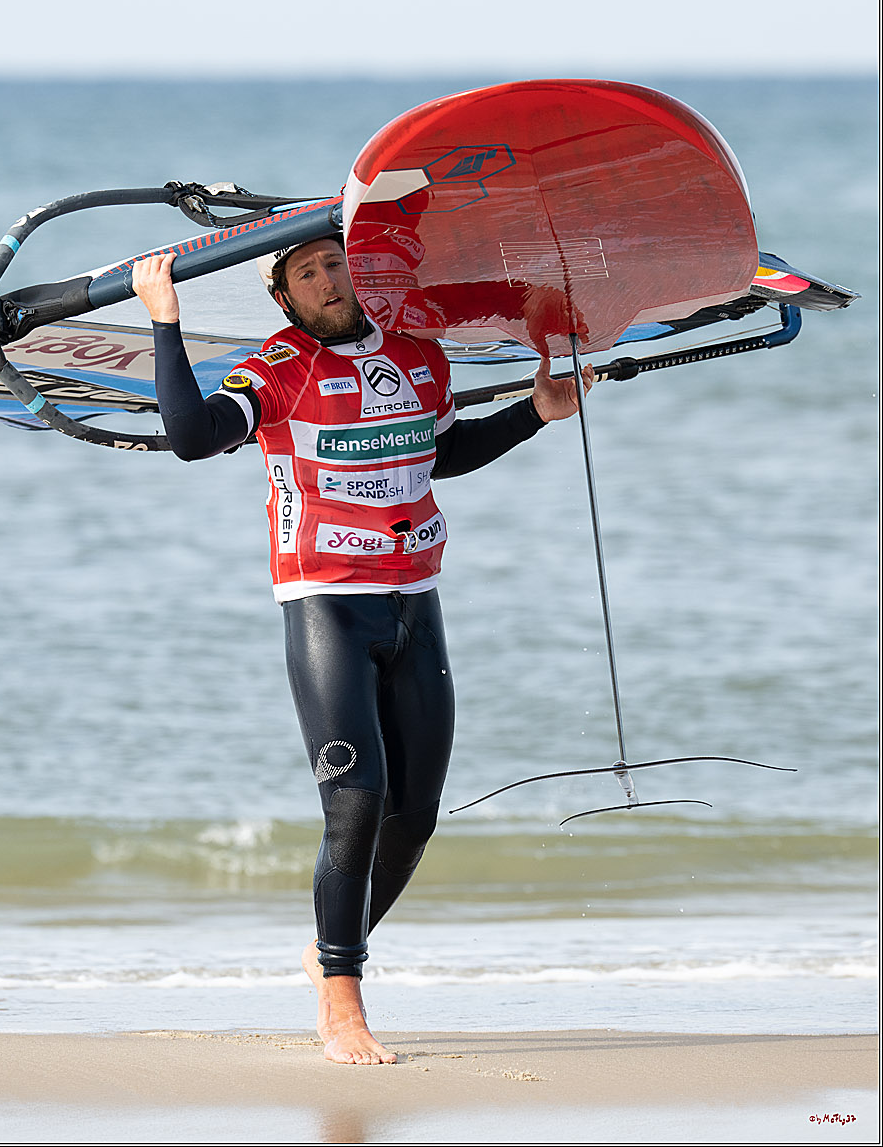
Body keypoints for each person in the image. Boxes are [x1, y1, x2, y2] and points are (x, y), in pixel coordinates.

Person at [132, 236, 592, 1065]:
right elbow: (193, 437)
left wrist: (534, 413)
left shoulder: (419, 356)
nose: (327, 281)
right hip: (326, 604)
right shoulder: (277, 370)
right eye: (306, 274)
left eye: (334, 264)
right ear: (284, 299)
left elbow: (443, 453)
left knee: (414, 816)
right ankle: (342, 998)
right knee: (356, 801)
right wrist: (166, 320)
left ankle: (328, 950)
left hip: (417, 601)